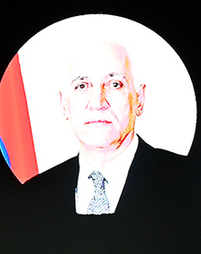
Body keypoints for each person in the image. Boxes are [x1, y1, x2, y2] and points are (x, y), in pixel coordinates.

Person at [58, 39, 145, 215]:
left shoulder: (187, 179)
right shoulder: (33, 192)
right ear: (64, 105)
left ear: (139, 99)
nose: (97, 103)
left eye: (115, 84)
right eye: (82, 86)